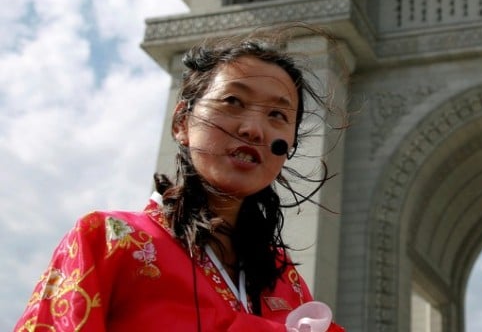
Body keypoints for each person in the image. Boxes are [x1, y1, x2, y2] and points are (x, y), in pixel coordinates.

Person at [16, 32, 344, 331]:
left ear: (287, 147)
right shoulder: (107, 241)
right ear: (181, 123)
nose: (254, 129)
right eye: (233, 101)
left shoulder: (290, 284)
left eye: (278, 115)